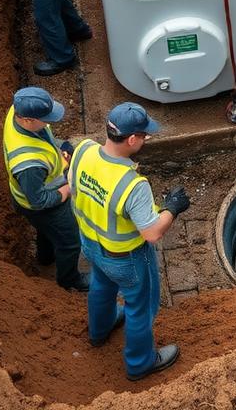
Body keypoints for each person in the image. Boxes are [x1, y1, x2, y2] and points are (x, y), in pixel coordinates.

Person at [68, 102, 191, 380]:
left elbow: (75, 189)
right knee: (140, 308)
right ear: (132, 139)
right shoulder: (133, 185)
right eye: (144, 136)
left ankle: (99, 332)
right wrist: (172, 207)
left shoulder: (83, 150)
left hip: (91, 243)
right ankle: (139, 364)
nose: (146, 139)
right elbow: (151, 233)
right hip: (126, 258)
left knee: (101, 285)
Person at [3, 86, 89, 292]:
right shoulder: (29, 164)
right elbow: (39, 201)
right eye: (46, 118)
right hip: (43, 205)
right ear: (27, 120)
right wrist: (68, 189)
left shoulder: (15, 111)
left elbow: (42, 138)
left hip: (32, 196)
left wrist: (61, 147)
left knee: (46, 231)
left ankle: (45, 257)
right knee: (70, 241)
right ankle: (69, 280)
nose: (50, 122)